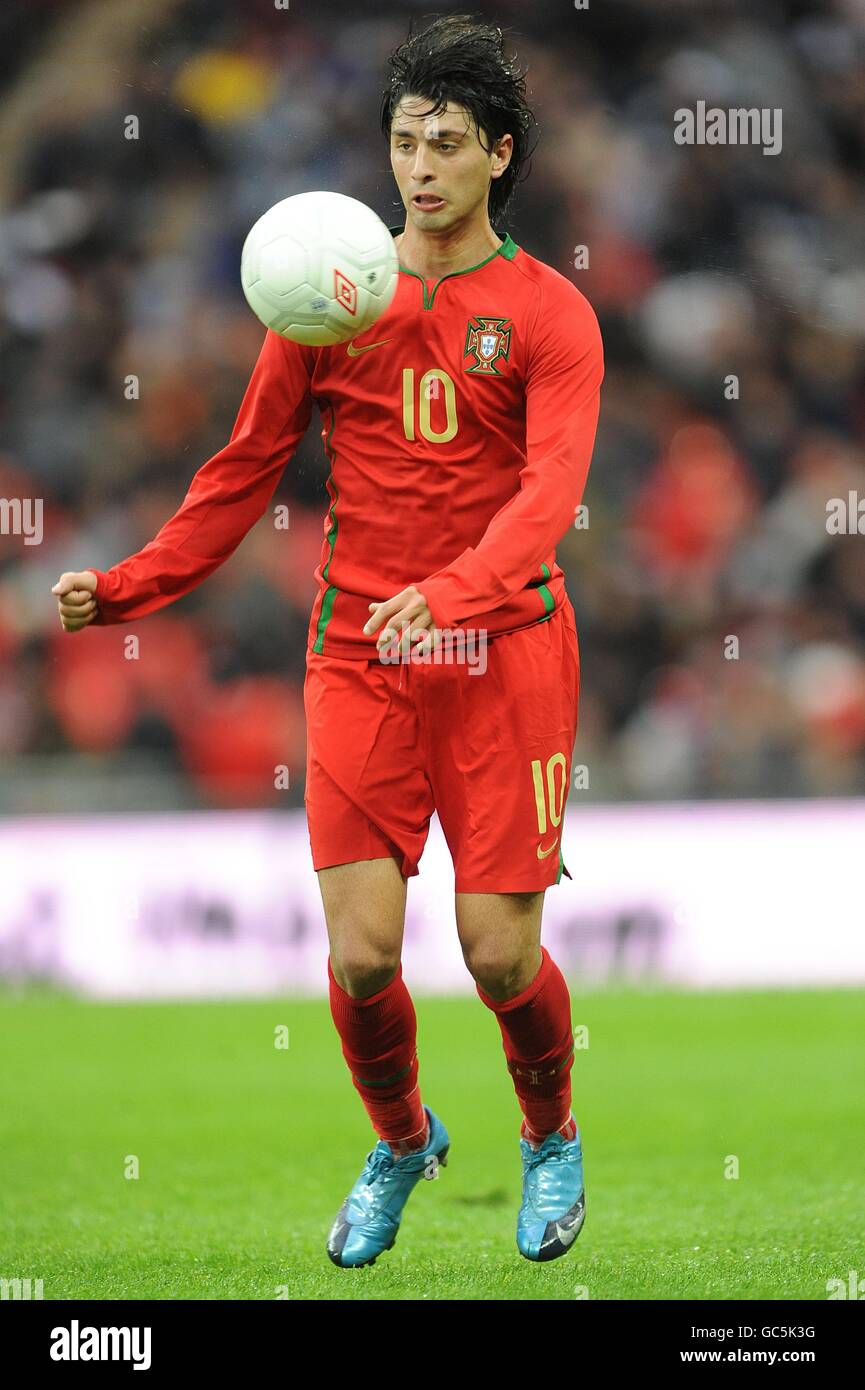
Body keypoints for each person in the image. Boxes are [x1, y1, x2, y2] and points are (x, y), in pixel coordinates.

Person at [52, 14, 603, 1268]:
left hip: (502, 646)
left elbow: (547, 494)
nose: (420, 165)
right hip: (361, 648)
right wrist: (131, 586)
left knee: (497, 950)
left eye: (448, 143)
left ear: (498, 156)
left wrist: (456, 593)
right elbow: (243, 468)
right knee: (360, 960)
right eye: (404, 139)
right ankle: (405, 1141)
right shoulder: (328, 290)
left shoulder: (549, 313)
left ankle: (550, 1130)